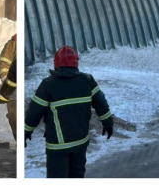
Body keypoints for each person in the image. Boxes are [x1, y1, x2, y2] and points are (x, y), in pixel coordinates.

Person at [24, 46, 113, 178]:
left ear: (56, 63)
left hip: (58, 147)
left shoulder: (48, 84)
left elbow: (34, 112)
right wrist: (108, 123)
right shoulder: (87, 80)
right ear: (76, 62)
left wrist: (26, 131)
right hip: (80, 142)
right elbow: (101, 104)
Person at [0, 34, 17, 139]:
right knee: (15, 119)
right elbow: (3, 63)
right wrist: (6, 82)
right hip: (13, 93)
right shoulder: (14, 43)